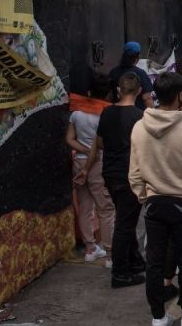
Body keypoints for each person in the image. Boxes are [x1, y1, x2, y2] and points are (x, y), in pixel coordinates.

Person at [129, 72, 182, 326]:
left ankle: (158, 317)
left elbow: (134, 173)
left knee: (153, 262)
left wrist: (144, 197)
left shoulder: (139, 127)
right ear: (181, 96)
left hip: (154, 203)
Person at [81, 72, 146, 288]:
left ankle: (135, 262)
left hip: (111, 173)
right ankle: (120, 272)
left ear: (119, 90)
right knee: (125, 224)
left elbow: (98, 143)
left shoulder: (107, 113)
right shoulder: (139, 116)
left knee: (125, 219)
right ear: (138, 91)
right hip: (130, 174)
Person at [67, 82, 114, 266]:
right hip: (98, 163)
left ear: (88, 92)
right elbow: (100, 144)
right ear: (108, 95)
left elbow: (69, 139)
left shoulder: (76, 114)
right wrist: (92, 153)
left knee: (85, 208)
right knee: (105, 208)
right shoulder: (104, 115)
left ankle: (90, 248)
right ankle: (110, 253)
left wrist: (85, 151)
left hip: (78, 161)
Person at [108, 41, 155, 109]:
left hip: (117, 113)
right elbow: (147, 98)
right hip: (137, 114)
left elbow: (111, 95)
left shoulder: (114, 72)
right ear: (137, 57)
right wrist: (153, 115)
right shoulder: (141, 74)